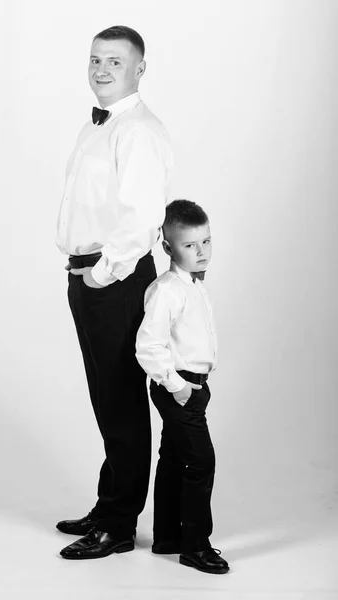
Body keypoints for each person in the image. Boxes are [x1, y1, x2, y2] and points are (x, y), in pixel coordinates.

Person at [55, 25, 173, 560]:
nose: (101, 70)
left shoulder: (138, 131)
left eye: (115, 62)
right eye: (95, 60)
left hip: (117, 281)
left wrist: (101, 274)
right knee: (106, 397)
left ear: (139, 69)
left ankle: (120, 524)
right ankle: (109, 505)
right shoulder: (95, 126)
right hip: (88, 277)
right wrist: (84, 273)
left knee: (122, 400)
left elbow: (142, 217)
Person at [135, 199, 229, 574]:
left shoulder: (192, 285)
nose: (202, 251)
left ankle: (167, 536)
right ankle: (195, 546)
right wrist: (176, 386)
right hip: (178, 387)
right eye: (190, 245)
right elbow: (148, 345)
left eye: (206, 242)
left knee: (174, 457)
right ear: (168, 248)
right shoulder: (167, 290)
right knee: (201, 461)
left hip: (193, 386)